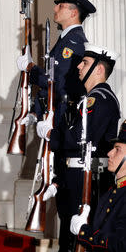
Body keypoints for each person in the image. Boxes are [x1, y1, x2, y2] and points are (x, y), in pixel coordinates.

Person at [36, 44, 120, 251]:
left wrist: (49, 133)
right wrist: (58, 180)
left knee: (77, 241)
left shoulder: (99, 99)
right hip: (73, 177)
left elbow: (77, 140)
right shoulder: (88, 99)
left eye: (85, 63)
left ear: (99, 69)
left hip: (88, 179)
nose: (79, 67)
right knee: (68, 237)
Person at [17, 0, 96, 128]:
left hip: (61, 117)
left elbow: (58, 82)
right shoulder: (66, 39)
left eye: (61, 6)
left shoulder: (74, 42)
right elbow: (50, 86)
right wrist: (36, 113)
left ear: (73, 13)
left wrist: (31, 68)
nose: (55, 8)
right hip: (53, 114)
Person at [70, 120, 126, 251]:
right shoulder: (111, 193)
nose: (109, 153)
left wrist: (83, 232)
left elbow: (119, 245)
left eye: (117, 150)